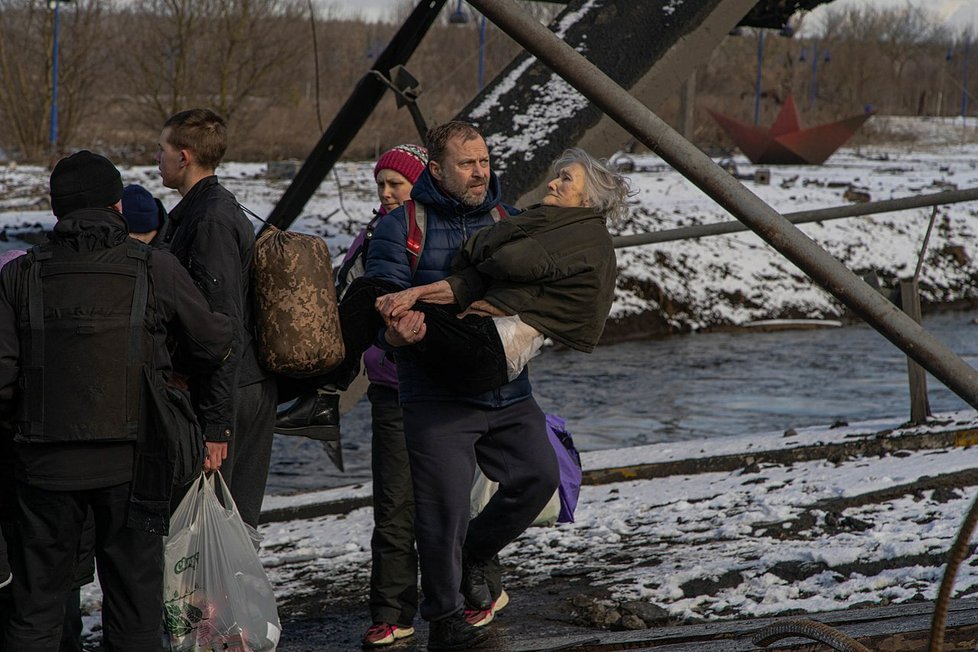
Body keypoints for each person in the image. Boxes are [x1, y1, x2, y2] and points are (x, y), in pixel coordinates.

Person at [0, 150, 233, 650]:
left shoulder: (19, 274)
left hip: (42, 467)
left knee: (35, 607)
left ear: (56, 208)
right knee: (134, 606)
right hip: (134, 464)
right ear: (118, 207)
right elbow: (214, 341)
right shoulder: (155, 268)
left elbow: (2, 378)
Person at [367, 121, 556, 651]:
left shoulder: (509, 220)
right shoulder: (401, 225)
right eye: (467, 164)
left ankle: (476, 552)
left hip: (509, 391)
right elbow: (380, 296)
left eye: (484, 161)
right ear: (437, 170)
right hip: (437, 395)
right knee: (441, 510)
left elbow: (541, 288)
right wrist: (394, 330)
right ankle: (444, 616)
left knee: (539, 477)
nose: (480, 172)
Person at [374, 146, 630, 394]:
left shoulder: (577, 235)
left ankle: (334, 383)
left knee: (388, 309)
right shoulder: (552, 228)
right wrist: (415, 296)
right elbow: (480, 278)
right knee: (394, 309)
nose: (552, 184)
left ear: (588, 198)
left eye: (565, 179)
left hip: (491, 350)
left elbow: (507, 262)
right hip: (489, 349)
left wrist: (477, 251)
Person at [156, 108, 277, 529]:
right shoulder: (205, 210)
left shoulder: (208, 220)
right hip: (238, 386)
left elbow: (222, 327)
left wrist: (217, 426)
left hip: (230, 391)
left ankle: (216, 599)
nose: (160, 159)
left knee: (215, 533)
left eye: (163, 149)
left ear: (184, 157)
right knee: (225, 534)